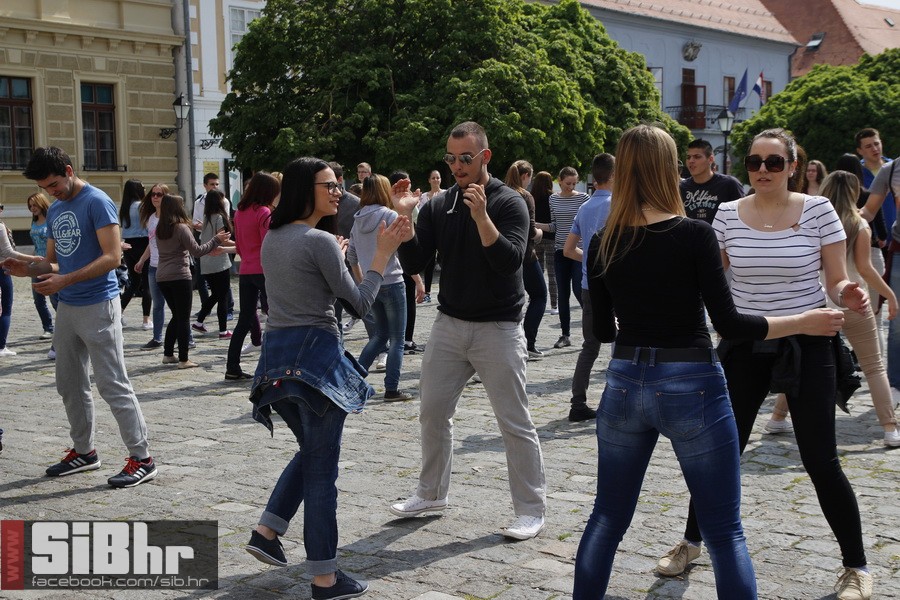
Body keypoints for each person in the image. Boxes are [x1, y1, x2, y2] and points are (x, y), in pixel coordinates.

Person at [571, 124, 849, 600]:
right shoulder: (693, 235)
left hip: (624, 379)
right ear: (668, 169)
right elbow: (732, 324)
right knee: (724, 531)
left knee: (607, 516)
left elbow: (599, 332)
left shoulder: (602, 241)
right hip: (691, 378)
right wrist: (803, 319)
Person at [657, 128, 874, 600]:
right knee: (720, 453)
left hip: (809, 341)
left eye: (774, 163)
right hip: (747, 342)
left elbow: (836, 279)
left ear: (793, 166)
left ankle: (856, 566)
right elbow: (712, 276)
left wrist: (847, 293)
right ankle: (692, 542)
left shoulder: (818, 211)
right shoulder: (729, 213)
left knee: (821, 458)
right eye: (755, 162)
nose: (762, 171)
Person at [243, 156, 409, 600]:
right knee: (321, 471)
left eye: (338, 185)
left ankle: (267, 530)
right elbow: (360, 303)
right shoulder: (317, 240)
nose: (338, 192)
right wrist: (382, 256)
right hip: (315, 362)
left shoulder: (276, 236)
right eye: (330, 185)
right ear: (305, 189)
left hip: (277, 363)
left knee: (312, 454)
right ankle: (324, 578)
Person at [389, 121, 547, 541]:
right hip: (449, 323)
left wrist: (482, 218)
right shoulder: (441, 205)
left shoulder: (510, 202)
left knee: (514, 422)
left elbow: (510, 262)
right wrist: (406, 220)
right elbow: (418, 259)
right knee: (432, 412)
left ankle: (530, 509)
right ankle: (431, 494)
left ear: (485, 157)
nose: (457, 166)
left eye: (465, 158)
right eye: (451, 158)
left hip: (498, 326)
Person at [5, 146, 157, 487]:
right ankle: (84, 452)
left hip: (98, 303)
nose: (51, 191)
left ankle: (142, 457)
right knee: (70, 386)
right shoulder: (57, 209)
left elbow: (112, 256)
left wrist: (65, 279)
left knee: (112, 383)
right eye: (45, 187)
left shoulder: (97, 201)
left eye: (55, 184)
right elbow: (54, 263)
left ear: (70, 171)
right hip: (69, 307)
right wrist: (25, 269)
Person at [348, 174, 413, 401]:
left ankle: (352, 381)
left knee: (378, 336)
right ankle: (392, 389)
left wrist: (361, 281)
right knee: (397, 338)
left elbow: (351, 255)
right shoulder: (389, 214)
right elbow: (408, 242)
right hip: (393, 282)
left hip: (372, 283)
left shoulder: (357, 219)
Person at [562, 153, 614, 422]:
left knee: (590, 347)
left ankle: (578, 402)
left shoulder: (584, 207)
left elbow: (569, 250)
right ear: (614, 176)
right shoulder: (620, 205)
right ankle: (619, 401)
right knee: (624, 346)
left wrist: (592, 258)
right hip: (618, 285)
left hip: (588, 286)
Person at [154, 194, 229, 368]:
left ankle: (168, 354)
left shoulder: (160, 228)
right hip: (179, 276)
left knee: (177, 315)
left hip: (162, 276)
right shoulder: (180, 228)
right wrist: (216, 240)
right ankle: (183, 359)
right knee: (183, 318)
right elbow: (197, 251)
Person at [225, 172, 280, 380]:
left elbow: (239, 245)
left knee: (244, 320)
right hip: (264, 270)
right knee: (276, 318)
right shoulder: (263, 212)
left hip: (246, 270)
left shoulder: (240, 212)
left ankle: (232, 367)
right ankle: (272, 366)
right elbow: (269, 245)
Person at [861, 152, 900, 407]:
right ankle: (896, 385)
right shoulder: (893, 168)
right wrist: (840, 222)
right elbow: (868, 210)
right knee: (897, 322)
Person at [541, 167, 589, 349]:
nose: (571, 187)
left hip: (578, 250)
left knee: (580, 290)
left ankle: (590, 332)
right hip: (560, 251)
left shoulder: (583, 198)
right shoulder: (553, 198)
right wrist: (536, 225)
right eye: (568, 183)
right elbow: (554, 226)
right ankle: (565, 334)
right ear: (559, 181)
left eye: (574, 183)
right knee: (562, 294)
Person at [505, 160, 546, 359]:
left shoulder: (501, 192)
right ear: (525, 176)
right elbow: (530, 231)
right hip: (525, 255)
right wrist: (539, 232)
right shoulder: (525, 196)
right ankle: (529, 342)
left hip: (504, 254)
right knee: (539, 294)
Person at [191, 189, 236, 339]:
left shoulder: (207, 216)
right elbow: (222, 238)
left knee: (217, 294)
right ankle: (222, 331)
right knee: (221, 295)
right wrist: (239, 243)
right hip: (219, 260)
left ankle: (200, 321)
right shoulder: (219, 217)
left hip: (206, 261)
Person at [135, 184, 170, 350]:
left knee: (176, 306)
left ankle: (188, 338)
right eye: (153, 194)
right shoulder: (150, 219)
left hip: (169, 267)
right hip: (154, 267)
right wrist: (142, 260)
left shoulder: (170, 219)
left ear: (166, 197)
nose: (155, 197)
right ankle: (157, 338)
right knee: (157, 305)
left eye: (159, 194)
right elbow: (151, 243)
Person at [680, 138, 745, 224]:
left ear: (710, 159)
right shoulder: (681, 187)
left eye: (697, 157)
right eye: (688, 157)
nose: (691, 161)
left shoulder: (729, 184)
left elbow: (743, 215)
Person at [118, 179, 152, 331]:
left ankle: (119, 312)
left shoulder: (124, 207)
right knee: (147, 283)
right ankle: (146, 319)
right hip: (143, 244)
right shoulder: (142, 206)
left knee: (133, 283)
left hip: (128, 245)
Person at [27, 192, 57, 341]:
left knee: (55, 298)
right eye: (30, 206)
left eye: (35, 205)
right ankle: (48, 328)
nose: (32, 208)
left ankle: (65, 326)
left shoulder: (51, 220)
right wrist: (28, 261)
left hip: (50, 264)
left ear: (42, 204)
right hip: (36, 264)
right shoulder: (33, 222)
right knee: (38, 299)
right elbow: (35, 245)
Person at [857, 128, 894, 240]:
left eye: (876, 144)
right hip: (871, 240)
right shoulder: (856, 175)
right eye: (868, 146)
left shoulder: (895, 169)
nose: (874, 149)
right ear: (859, 151)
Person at [532, 171, 557, 314]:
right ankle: (554, 306)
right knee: (552, 274)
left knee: (538, 271)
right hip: (551, 238)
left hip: (536, 238)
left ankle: (536, 300)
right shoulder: (552, 198)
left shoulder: (532, 197)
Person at [419, 169, 445, 303]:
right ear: (429, 180)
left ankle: (447, 290)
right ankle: (427, 292)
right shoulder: (423, 197)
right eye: (433, 178)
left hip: (443, 232)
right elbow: (420, 215)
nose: (436, 180)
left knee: (444, 261)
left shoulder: (446, 194)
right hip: (429, 233)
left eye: (438, 177)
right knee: (429, 263)